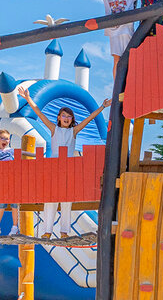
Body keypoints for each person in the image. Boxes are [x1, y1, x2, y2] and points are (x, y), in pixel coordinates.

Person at [18, 86, 110, 238]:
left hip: (68, 169)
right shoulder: (54, 129)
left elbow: (89, 119)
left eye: (69, 116)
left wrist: (102, 107)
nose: (66, 118)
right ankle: (47, 231)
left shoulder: (73, 131)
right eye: (63, 115)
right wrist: (28, 98)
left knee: (67, 199)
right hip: (54, 167)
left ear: (72, 119)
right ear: (59, 118)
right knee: (50, 198)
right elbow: (39, 113)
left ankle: (64, 232)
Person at [63, 0, 161, 71]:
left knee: (131, 58)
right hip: (114, 32)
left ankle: (129, 83)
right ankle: (117, 87)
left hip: (127, 30)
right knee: (116, 60)